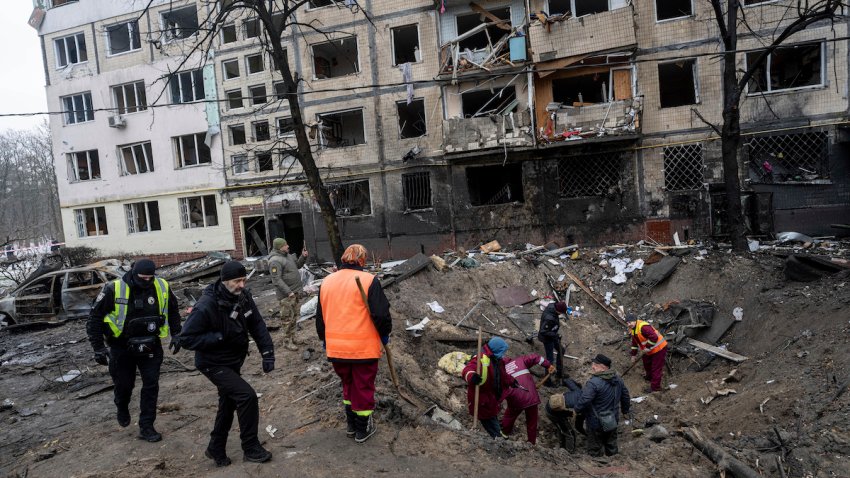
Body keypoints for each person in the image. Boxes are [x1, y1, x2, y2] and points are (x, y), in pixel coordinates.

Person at [179, 261, 275, 466]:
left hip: (233, 361)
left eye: (243, 280)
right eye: (236, 281)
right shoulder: (206, 305)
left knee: (228, 402)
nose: (241, 285)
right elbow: (186, 338)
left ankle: (216, 448)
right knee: (246, 396)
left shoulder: (243, 297)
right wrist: (218, 338)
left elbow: (257, 324)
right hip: (212, 363)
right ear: (224, 281)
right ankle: (250, 447)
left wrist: (267, 353)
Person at [86, 258, 182, 443]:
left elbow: (173, 311)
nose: (147, 281)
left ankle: (147, 426)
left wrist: (177, 334)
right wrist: (98, 348)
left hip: (151, 345)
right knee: (124, 385)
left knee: (151, 385)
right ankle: (121, 405)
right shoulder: (114, 288)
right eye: (142, 278)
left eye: (150, 278)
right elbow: (94, 318)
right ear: (133, 273)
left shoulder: (161, 286)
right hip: (122, 347)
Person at [316, 244, 391, 443]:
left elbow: (320, 318)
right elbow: (381, 315)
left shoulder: (327, 281)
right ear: (362, 260)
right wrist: (384, 335)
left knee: (348, 385)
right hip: (362, 349)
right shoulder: (368, 280)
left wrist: (325, 340)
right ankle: (362, 429)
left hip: (336, 349)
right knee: (363, 388)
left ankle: (351, 425)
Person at [574, 354, 631, 457]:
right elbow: (625, 396)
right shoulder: (618, 379)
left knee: (594, 447)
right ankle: (614, 463)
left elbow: (585, 400)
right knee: (611, 444)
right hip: (612, 420)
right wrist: (625, 411)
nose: (592, 366)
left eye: (595, 364)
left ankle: (596, 464)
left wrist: (576, 410)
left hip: (595, 422)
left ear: (603, 367)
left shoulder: (594, 382)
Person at [462, 337, 513, 438]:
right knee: (490, 421)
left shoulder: (497, 360)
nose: (504, 354)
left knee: (492, 417)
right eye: (503, 351)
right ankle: (498, 439)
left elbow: (502, 374)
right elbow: (467, 370)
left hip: (491, 398)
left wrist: (512, 381)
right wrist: (472, 376)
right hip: (482, 401)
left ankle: (498, 436)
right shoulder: (480, 359)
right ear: (497, 350)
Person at [501, 353, 554, 445]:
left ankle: (503, 435)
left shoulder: (500, 371)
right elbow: (536, 357)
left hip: (515, 400)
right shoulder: (519, 361)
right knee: (532, 422)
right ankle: (531, 443)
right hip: (531, 397)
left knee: (509, 416)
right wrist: (548, 365)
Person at [268, 237, 309, 351]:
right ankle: (287, 341)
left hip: (295, 292)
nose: (288, 246)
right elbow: (276, 279)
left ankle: (293, 338)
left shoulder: (288, 256)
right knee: (287, 319)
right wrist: (288, 292)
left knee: (294, 317)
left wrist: (303, 257)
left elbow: (298, 265)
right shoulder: (275, 261)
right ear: (280, 247)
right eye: (285, 245)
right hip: (287, 295)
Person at [627, 314, 668, 393]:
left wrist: (648, 347)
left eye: (630, 322)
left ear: (635, 320)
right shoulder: (632, 329)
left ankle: (655, 388)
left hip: (659, 348)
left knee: (655, 368)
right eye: (627, 323)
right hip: (649, 350)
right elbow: (634, 343)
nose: (629, 324)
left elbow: (654, 337)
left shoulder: (643, 327)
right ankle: (649, 377)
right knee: (646, 363)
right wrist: (633, 355)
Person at [538, 300, 568, 385]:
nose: (561, 314)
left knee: (561, 350)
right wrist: (554, 335)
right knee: (550, 359)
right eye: (561, 312)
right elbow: (543, 331)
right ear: (558, 310)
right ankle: (547, 381)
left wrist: (555, 334)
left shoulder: (553, 306)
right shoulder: (549, 318)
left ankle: (559, 373)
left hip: (552, 335)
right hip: (547, 338)